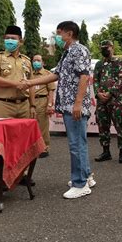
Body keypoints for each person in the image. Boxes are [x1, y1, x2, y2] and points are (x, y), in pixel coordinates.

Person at [19, 21, 94, 199]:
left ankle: (80, 183)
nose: (56, 37)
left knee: (76, 144)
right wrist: (30, 82)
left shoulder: (79, 50)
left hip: (74, 106)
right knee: (79, 142)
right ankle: (86, 176)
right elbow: (55, 75)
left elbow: (84, 75)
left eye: (58, 33)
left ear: (69, 34)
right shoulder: (67, 53)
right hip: (69, 105)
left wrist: (77, 103)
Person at [0, 25, 36, 120]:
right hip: (4, 104)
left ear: (20, 42)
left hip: (24, 105)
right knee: (3, 133)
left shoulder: (26, 61)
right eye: (7, 38)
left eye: (13, 38)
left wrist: (32, 105)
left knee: (23, 133)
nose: (9, 40)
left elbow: (31, 85)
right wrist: (16, 84)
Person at [93, 40, 122, 163]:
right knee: (102, 126)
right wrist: (98, 93)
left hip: (116, 100)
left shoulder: (119, 62)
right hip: (102, 101)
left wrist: (110, 92)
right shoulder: (99, 64)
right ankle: (106, 152)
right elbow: (95, 80)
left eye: (106, 47)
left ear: (112, 47)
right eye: (102, 48)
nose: (104, 50)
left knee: (120, 126)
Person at [30, 54, 56, 158]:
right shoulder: (29, 74)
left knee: (43, 126)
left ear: (43, 62)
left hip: (42, 100)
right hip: (31, 101)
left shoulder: (47, 74)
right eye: (34, 60)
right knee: (31, 126)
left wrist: (49, 105)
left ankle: (44, 148)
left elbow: (51, 91)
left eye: (38, 60)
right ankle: (33, 148)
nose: (36, 62)